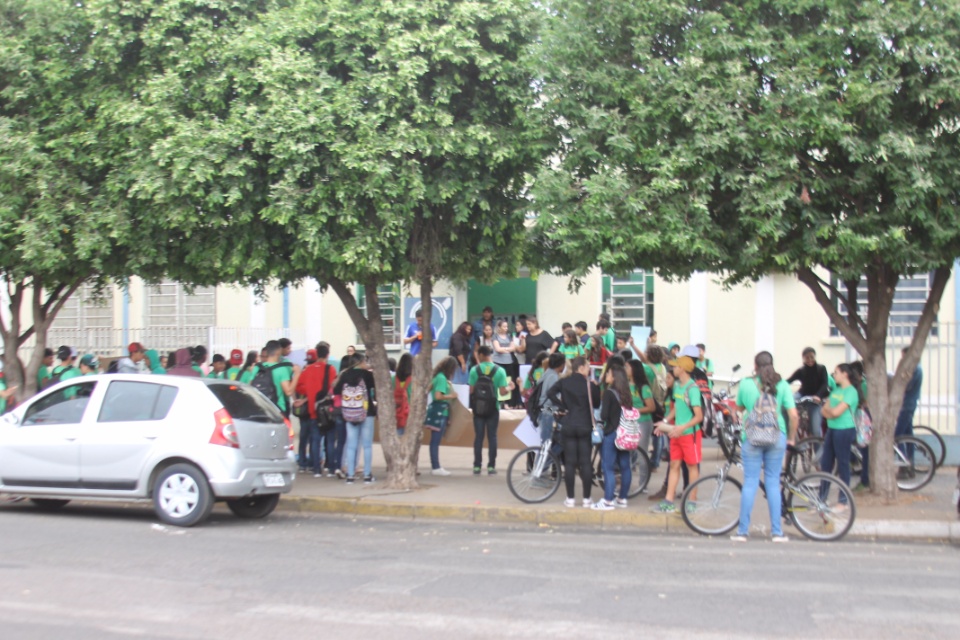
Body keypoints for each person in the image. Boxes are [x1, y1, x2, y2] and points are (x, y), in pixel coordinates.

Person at [731, 352, 798, 543]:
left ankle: (742, 532)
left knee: (750, 482)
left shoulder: (746, 384)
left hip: (751, 437)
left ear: (755, 365)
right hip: (777, 437)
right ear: (772, 364)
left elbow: (739, 409)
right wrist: (791, 438)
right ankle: (777, 532)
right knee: (772, 483)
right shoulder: (783, 385)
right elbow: (793, 415)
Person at [651, 354, 703, 513]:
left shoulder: (692, 389)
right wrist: (665, 423)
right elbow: (675, 409)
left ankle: (692, 501)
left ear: (683, 369)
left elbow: (698, 416)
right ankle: (668, 500)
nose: (672, 368)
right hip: (677, 434)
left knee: (692, 466)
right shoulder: (678, 386)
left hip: (689, 435)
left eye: (675, 366)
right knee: (674, 465)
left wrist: (682, 427)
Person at [547, 356, 601, 508]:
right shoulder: (590, 385)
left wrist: (562, 406)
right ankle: (586, 499)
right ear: (581, 367)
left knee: (569, 463)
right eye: (588, 366)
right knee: (585, 462)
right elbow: (596, 404)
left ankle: (570, 499)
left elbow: (551, 393)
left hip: (568, 424)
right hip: (585, 425)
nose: (589, 368)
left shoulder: (564, 382)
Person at [819, 362, 860, 508]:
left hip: (844, 430)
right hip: (832, 429)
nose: (834, 375)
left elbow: (836, 412)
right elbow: (824, 410)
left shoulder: (851, 392)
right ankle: (821, 499)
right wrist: (831, 413)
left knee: (843, 463)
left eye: (836, 372)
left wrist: (831, 412)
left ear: (845, 374)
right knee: (826, 464)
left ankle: (843, 500)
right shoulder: (836, 390)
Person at [469, 345, 513, 475]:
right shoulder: (500, 370)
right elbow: (502, 392)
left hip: (478, 409)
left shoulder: (474, 370)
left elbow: (471, 390)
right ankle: (491, 466)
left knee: (479, 437)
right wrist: (510, 387)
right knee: (492, 436)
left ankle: (477, 466)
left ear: (482, 355)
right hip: (493, 408)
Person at [295, 343, 337, 477]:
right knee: (330, 441)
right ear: (327, 355)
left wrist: (309, 393)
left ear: (317, 354)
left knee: (315, 440)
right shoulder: (331, 370)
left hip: (314, 410)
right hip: (328, 410)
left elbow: (299, 388)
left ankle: (316, 469)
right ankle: (330, 469)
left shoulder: (308, 370)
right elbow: (334, 388)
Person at [335, 352, 377, 484]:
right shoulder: (368, 375)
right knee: (367, 446)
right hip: (366, 412)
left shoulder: (345, 375)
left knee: (351, 446)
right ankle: (367, 475)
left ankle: (350, 475)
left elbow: (336, 391)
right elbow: (376, 389)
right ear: (360, 362)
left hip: (349, 413)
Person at [787, 347, 830, 438]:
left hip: (815, 400)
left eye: (812, 357)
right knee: (788, 402)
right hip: (803, 395)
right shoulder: (801, 371)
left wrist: (818, 396)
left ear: (815, 357)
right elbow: (789, 381)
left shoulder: (821, 369)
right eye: (807, 358)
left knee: (815, 430)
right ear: (803, 358)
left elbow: (824, 384)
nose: (810, 360)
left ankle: (819, 451)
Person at [427, 357, 459, 476]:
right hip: (440, 412)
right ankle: (436, 467)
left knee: (435, 440)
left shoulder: (438, 377)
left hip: (438, 411)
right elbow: (438, 396)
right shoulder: (441, 378)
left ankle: (436, 466)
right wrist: (451, 396)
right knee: (435, 441)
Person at [258, 340, 299, 417]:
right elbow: (288, 392)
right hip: (278, 409)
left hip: (262, 407)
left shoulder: (257, 368)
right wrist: (297, 373)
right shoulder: (281, 369)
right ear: (279, 351)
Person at [626, 360, 657, 456]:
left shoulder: (644, 387)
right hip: (629, 423)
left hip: (643, 422)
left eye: (627, 367)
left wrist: (633, 410)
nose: (625, 369)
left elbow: (651, 407)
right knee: (628, 453)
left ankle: (644, 471)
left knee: (642, 452)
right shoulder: (625, 385)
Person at [535, 353, 566, 444]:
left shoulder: (546, 373)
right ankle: (547, 459)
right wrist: (562, 407)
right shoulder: (553, 377)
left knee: (554, 441)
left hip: (542, 410)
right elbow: (552, 396)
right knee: (547, 443)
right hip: (547, 411)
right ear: (561, 365)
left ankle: (549, 458)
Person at [895, 348, 923, 441]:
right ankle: (910, 454)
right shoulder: (914, 368)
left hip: (907, 404)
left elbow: (907, 385)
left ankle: (900, 453)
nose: (902, 359)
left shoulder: (915, 369)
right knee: (908, 432)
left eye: (903, 357)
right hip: (908, 402)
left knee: (898, 434)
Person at [491, 320, 521, 408]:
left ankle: (507, 402)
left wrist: (504, 349)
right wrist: (507, 349)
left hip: (509, 362)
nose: (506, 328)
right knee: (499, 381)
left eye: (507, 326)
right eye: (504, 326)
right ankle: (499, 401)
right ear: (499, 327)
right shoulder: (495, 337)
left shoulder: (509, 336)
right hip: (498, 362)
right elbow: (498, 349)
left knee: (508, 381)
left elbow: (513, 348)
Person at [394, 353, 413, 436]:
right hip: (409, 408)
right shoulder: (413, 379)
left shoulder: (393, 378)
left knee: (398, 433)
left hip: (396, 408)